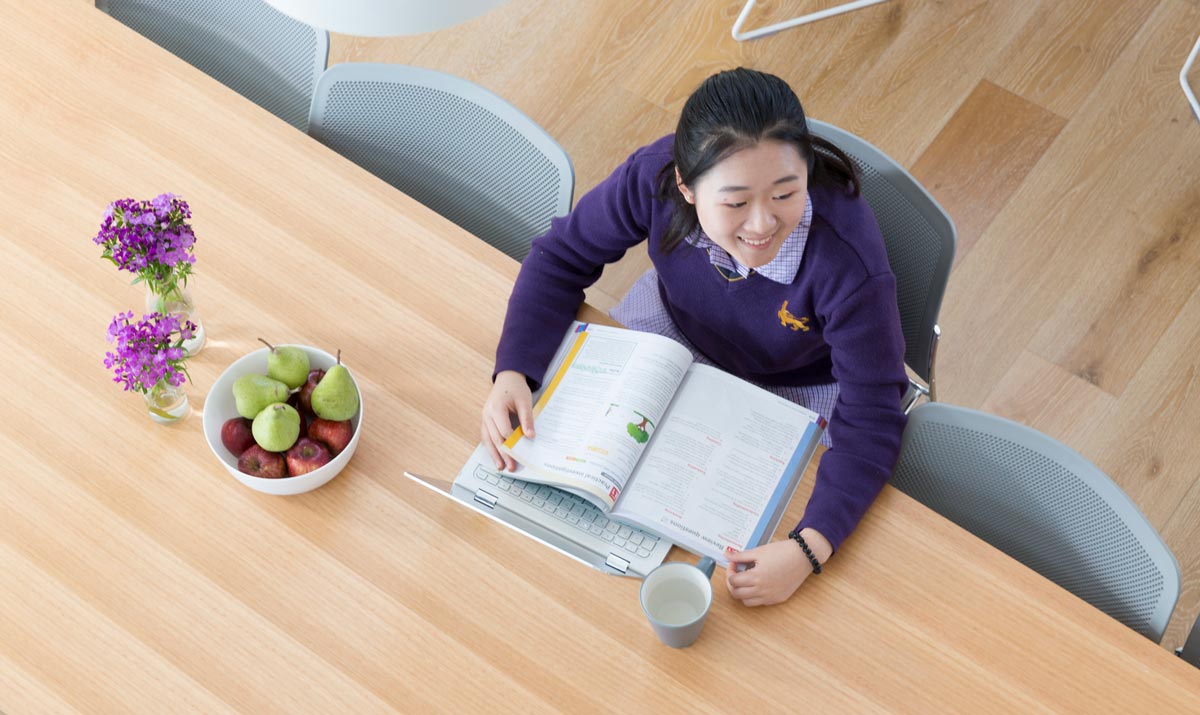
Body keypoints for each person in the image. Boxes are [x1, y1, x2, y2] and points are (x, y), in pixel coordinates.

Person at [481, 67, 908, 607]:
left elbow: (873, 411)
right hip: (671, 334)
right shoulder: (654, 176)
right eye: (734, 203)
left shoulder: (847, 262)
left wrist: (809, 548)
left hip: (800, 386)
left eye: (785, 193)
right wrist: (514, 369)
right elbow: (561, 256)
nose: (762, 225)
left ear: (808, 172)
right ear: (684, 184)